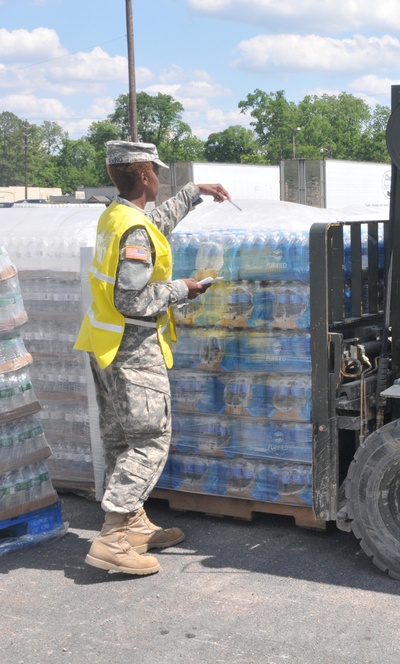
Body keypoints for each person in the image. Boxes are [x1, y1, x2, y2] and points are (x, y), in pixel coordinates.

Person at [74, 140, 231, 575]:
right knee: (148, 441)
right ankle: (113, 540)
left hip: (106, 346)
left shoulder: (117, 216)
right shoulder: (133, 229)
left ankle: (133, 524)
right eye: (156, 172)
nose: (160, 179)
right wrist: (185, 288)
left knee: (122, 440)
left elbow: (154, 226)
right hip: (132, 348)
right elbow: (131, 298)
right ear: (144, 175)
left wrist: (193, 191)